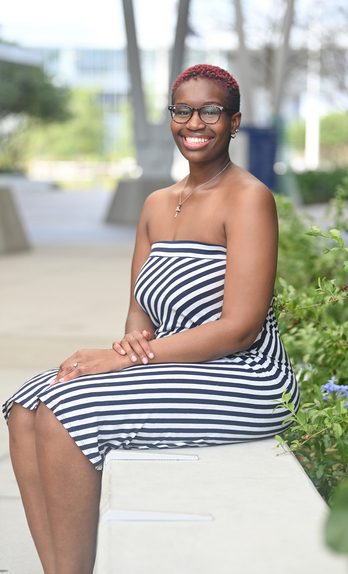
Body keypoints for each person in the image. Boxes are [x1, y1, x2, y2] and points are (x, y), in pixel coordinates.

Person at [3, 64, 300, 574]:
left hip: (247, 376)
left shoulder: (249, 198)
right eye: (182, 110)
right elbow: (140, 312)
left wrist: (130, 359)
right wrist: (123, 355)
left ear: (234, 121)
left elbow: (241, 328)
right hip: (182, 366)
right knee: (26, 403)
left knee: (62, 410)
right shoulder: (157, 205)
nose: (194, 122)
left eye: (210, 110)